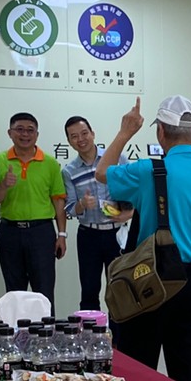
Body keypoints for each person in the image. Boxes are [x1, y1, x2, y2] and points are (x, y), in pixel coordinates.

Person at [97, 96, 191, 381]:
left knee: (138, 368)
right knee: (188, 368)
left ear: (160, 132)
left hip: (149, 277)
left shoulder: (147, 171)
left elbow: (101, 173)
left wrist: (125, 132)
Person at [0, 112, 66, 313]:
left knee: (44, 292)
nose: (25, 134)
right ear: (10, 133)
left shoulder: (49, 163)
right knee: (14, 294)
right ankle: (15, 342)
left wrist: (62, 235)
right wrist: (4, 185)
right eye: (19, 129)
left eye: (30, 130)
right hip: (9, 233)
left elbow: (58, 201)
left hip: (42, 232)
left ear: (37, 135)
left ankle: (46, 340)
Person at [62, 115, 133, 314]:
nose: (81, 139)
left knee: (119, 289)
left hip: (117, 234)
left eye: (84, 133)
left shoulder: (117, 159)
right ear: (69, 141)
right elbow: (68, 208)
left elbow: (135, 192)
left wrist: (129, 213)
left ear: (93, 134)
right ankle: (91, 340)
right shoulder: (69, 171)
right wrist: (81, 205)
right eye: (74, 136)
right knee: (89, 290)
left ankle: (119, 341)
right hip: (88, 235)